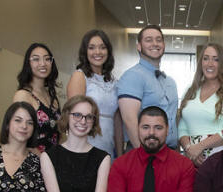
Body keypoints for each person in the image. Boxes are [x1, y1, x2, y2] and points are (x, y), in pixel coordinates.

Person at [178, 43, 223, 166]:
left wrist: (200, 147)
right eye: (206, 58)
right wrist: (189, 149)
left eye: (216, 59)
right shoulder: (190, 90)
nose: (210, 64)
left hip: (222, 160)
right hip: (191, 160)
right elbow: (182, 127)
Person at [117, 25, 179, 150]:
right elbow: (129, 121)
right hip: (145, 151)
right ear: (139, 46)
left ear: (164, 45)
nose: (155, 43)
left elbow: (173, 122)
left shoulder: (170, 82)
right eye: (149, 40)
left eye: (159, 40)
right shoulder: (133, 76)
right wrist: (144, 156)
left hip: (170, 151)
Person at [66, 30, 123, 158]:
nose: (97, 52)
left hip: (108, 144)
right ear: (85, 52)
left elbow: (117, 121)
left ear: (108, 51)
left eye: (102, 47)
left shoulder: (114, 82)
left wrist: (120, 155)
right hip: (86, 145)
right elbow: (75, 118)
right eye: (91, 48)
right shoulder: (80, 76)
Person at [14, 43, 61, 154]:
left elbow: (58, 133)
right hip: (33, 159)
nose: (42, 63)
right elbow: (20, 136)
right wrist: (44, 160)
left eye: (47, 59)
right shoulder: (23, 95)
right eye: (36, 59)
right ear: (28, 64)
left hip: (54, 158)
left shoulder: (52, 97)